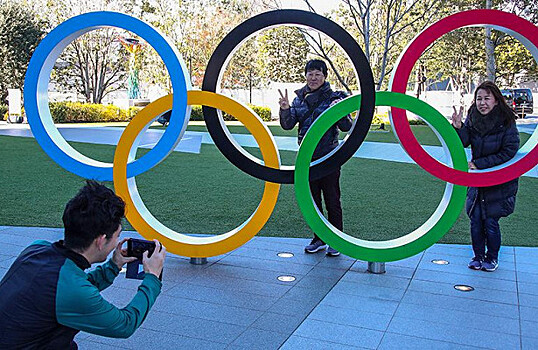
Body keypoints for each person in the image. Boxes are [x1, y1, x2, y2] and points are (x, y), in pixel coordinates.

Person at [0, 180, 167, 348]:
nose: (117, 241)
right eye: (117, 236)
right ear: (101, 241)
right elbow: (125, 324)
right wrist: (152, 278)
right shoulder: (71, 289)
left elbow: (67, 289)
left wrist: (113, 265)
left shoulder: (36, 248)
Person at [278, 59, 352, 257]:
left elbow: (346, 127)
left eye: (317, 74)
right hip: (307, 158)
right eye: (310, 73)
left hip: (328, 156)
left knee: (332, 199)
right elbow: (288, 124)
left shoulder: (335, 97)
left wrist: (340, 111)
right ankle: (318, 239)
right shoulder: (299, 98)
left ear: (325, 76)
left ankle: (336, 239)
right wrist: (285, 108)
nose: (313, 77)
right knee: (313, 201)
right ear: (305, 75)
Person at [452, 81, 520, 272]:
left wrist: (480, 165)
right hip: (478, 181)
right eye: (479, 98)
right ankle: (477, 256)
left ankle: (492, 258)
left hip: (498, 182)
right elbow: (465, 142)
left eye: (487, 98)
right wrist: (458, 127)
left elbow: (509, 151)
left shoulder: (506, 122)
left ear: (496, 100)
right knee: (476, 221)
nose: (482, 103)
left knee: (490, 222)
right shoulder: (473, 118)